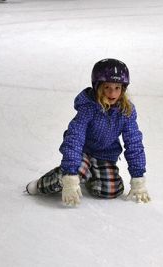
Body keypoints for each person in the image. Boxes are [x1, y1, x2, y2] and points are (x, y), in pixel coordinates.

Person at [25, 59, 151, 206]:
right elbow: (74, 137)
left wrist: (138, 177)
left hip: (105, 155)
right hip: (82, 151)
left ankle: (90, 176)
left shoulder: (125, 111)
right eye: (107, 88)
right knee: (77, 172)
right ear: (98, 87)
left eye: (117, 88)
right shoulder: (88, 108)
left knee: (110, 190)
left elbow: (134, 142)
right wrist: (70, 176)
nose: (112, 93)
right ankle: (43, 184)